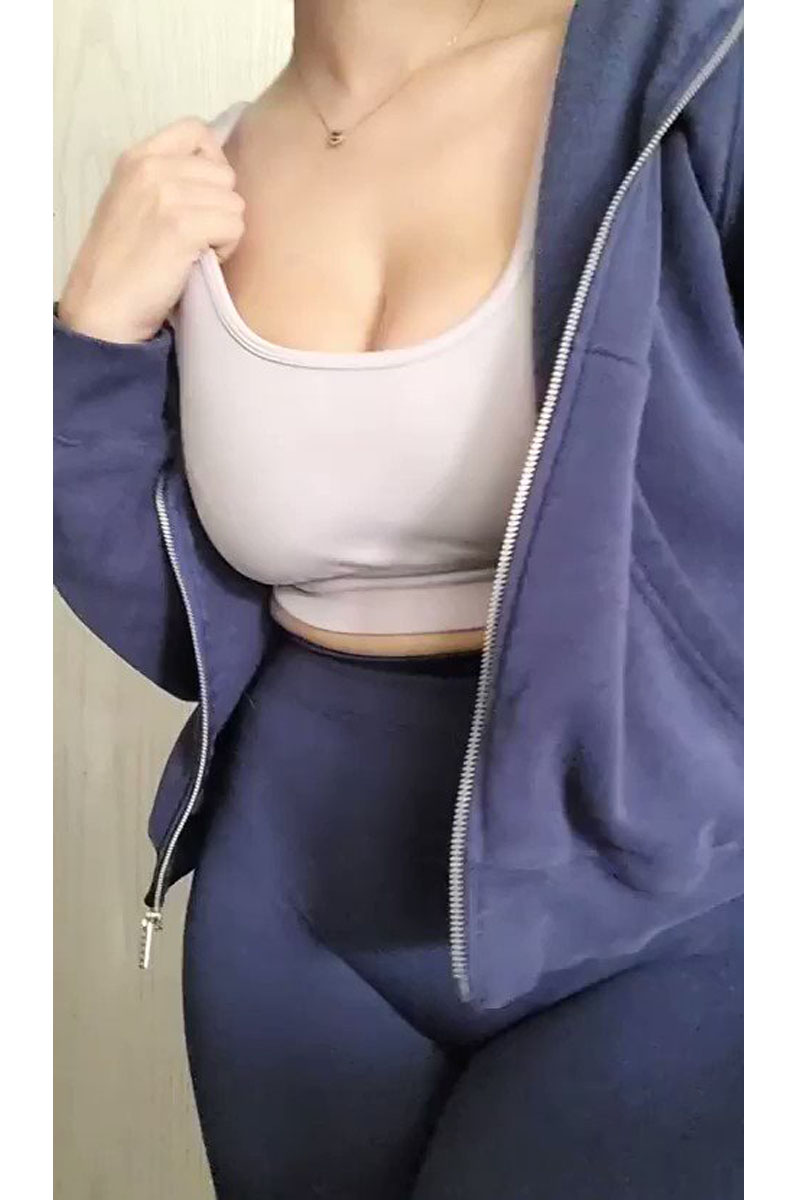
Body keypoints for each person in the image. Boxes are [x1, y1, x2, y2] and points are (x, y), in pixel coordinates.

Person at [53, 1, 744, 1196]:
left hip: (658, 908)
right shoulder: (205, 169)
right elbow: (174, 617)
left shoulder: (693, 66)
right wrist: (91, 342)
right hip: (291, 911)